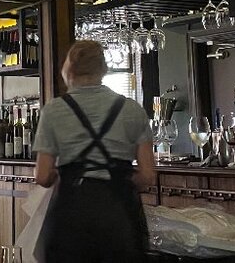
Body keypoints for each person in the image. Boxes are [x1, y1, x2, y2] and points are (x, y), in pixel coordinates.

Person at [34, 40, 154, 263]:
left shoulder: (53, 111)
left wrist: (63, 174)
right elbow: (147, 175)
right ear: (104, 70)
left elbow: (42, 177)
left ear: (68, 69)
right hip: (119, 214)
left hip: (71, 214)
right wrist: (118, 178)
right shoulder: (132, 109)